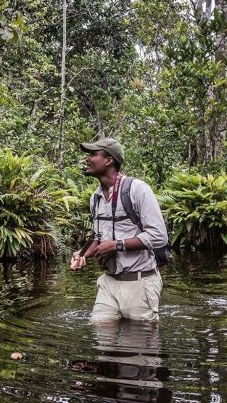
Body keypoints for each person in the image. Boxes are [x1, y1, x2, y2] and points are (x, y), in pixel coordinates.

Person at [70, 138, 169, 322]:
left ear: (109, 160)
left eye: (93, 154)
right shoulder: (95, 198)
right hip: (109, 283)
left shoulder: (138, 189)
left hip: (139, 283)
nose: (87, 159)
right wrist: (83, 254)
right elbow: (100, 237)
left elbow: (159, 236)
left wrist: (117, 246)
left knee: (140, 345)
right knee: (101, 334)